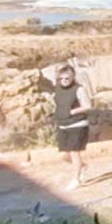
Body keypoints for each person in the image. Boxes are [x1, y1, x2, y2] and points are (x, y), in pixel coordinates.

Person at [41, 59, 94, 189]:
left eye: (67, 78)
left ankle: (76, 179)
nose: (64, 80)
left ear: (73, 77)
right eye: (62, 78)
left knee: (75, 153)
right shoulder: (58, 89)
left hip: (77, 124)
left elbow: (88, 106)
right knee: (64, 156)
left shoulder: (79, 89)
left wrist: (72, 111)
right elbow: (57, 104)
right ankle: (82, 166)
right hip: (63, 124)